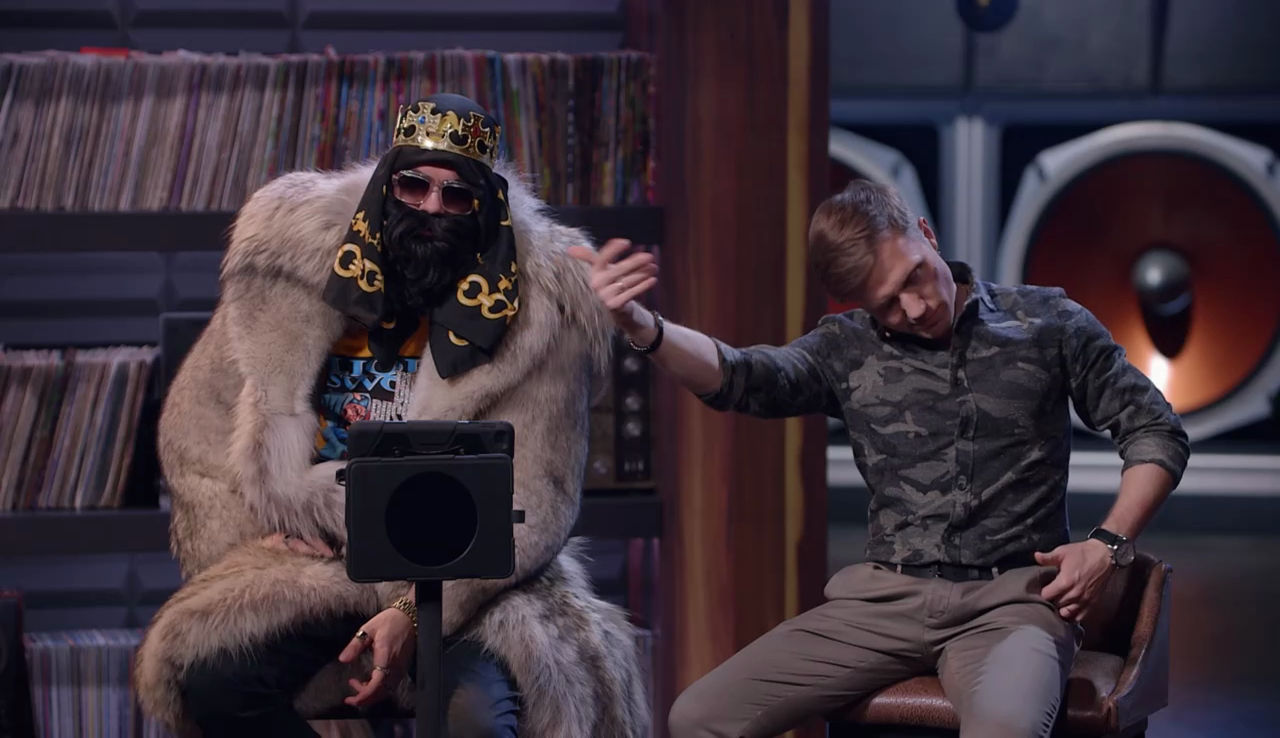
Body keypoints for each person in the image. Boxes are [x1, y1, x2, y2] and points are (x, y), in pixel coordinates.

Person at [571, 178, 1189, 738]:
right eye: (887, 303)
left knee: (1006, 729)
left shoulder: (1047, 322)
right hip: (882, 602)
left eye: (916, 276)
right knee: (699, 717)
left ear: (926, 233)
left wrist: (1108, 543)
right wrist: (641, 325)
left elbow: (1155, 430)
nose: (915, 309)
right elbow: (741, 376)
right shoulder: (847, 348)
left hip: (1012, 604)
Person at [134, 93, 650, 738]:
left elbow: (538, 503)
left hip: (466, 572)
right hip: (323, 564)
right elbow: (199, 433)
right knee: (215, 683)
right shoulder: (291, 268)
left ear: (483, 207)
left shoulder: (540, 310)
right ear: (387, 186)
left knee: (478, 722)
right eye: (414, 186)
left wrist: (412, 609)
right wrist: (254, 532)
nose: (431, 207)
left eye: (455, 196)